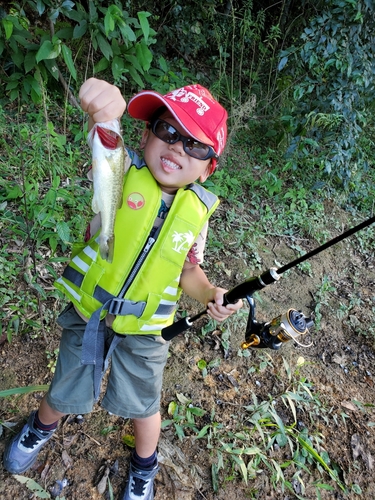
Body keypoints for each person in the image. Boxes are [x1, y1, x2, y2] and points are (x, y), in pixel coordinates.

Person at [3, 78, 242, 500]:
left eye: (196, 145)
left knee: (145, 404)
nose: (177, 147)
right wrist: (107, 112)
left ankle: (144, 467)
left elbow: (188, 271)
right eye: (168, 131)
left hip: (148, 329)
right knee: (66, 383)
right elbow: (106, 141)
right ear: (146, 135)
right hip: (91, 312)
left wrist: (209, 293)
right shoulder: (120, 170)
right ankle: (40, 428)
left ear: (208, 168)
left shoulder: (197, 213)